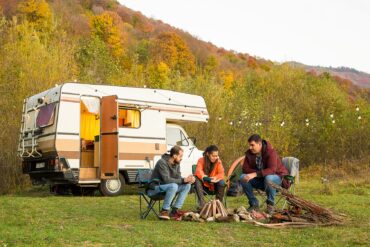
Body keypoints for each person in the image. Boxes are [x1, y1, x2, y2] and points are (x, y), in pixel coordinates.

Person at [240, 134, 288, 214]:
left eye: (252, 145)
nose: (250, 147)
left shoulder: (271, 152)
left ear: (259, 144)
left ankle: (270, 205)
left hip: (278, 180)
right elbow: (245, 168)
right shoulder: (249, 153)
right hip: (261, 180)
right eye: (249, 145)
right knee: (242, 177)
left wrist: (255, 174)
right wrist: (257, 173)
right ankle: (254, 204)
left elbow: (272, 170)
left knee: (269, 178)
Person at [149, 145, 195, 220]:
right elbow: (166, 180)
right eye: (180, 156)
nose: (181, 158)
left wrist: (188, 180)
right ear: (174, 156)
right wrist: (183, 180)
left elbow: (178, 178)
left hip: (168, 188)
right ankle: (164, 211)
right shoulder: (162, 162)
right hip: (154, 189)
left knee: (187, 186)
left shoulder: (177, 163)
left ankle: (174, 211)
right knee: (173, 186)